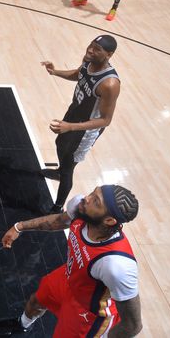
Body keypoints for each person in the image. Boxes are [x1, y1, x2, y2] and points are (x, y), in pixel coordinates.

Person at [0, 185, 142, 336]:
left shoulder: (117, 265)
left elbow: (133, 326)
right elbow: (58, 221)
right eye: (93, 193)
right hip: (71, 277)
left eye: (96, 201)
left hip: (89, 311)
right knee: (36, 301)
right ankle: (23, 325)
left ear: (109, 220)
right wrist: (18, 227)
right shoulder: (80, 207)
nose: (86, 198)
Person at [39, 35, 120, 214]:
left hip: (85, 130)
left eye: (97, 49)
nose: (90, 50)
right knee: (59, 144)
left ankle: (58, 207)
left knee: (69, 165)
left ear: (109, 54)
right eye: (91, 45)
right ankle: (59, 172)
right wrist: (55, 72)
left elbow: (106, 120)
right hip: (73, 116)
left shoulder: (110, 84)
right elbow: (79, 74)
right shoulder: (88, 62)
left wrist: (70, 127)